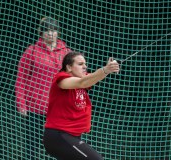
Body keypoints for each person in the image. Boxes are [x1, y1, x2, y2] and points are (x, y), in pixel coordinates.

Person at [43, 51, 120, 160]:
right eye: (80, 64)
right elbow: (84, 82)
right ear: (69, 67)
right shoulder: (61, 78)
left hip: (71, 136)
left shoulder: (82, 79)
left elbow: (92, 78)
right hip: (59, 136)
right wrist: (105, 70)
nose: (85, 66)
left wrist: (107, 70)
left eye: (85, 64)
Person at [15, 17, 71, 159]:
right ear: (41, 32)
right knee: (32, 148)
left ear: (58, 32)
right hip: (35, 108)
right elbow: (21, 78)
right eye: (46, 30)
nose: (50, 34)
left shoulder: (67, 53)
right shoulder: (32, 51)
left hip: (58, 110)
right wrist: (21, 103)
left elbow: (76, 79)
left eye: (53, 30)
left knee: (58, 148)